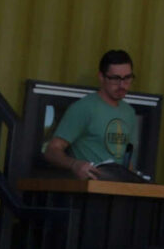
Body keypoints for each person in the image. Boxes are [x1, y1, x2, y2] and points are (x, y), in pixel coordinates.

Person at [42, 50, 143, 181]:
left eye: (127, 78)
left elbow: (126, 158)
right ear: (101, 77)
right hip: (92, 186)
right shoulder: (84, 108)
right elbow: (52, 150)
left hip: (119, 187)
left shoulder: (129, 112)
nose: (122, 85)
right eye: (115, 78)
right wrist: (74, 164)